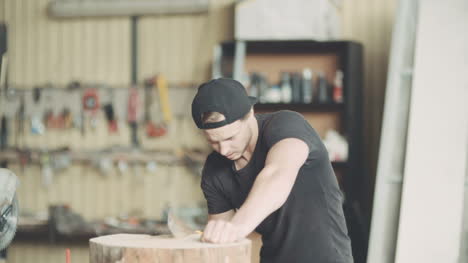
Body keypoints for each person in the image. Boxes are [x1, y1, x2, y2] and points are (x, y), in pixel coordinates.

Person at [191, 78, 353, 263]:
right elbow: (223, 245)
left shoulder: (286, 126)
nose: (224, 150)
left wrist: (236, 227)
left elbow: (276, 174)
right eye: (213, 142)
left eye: (231, 138)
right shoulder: (214, 170)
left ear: (250, 113)